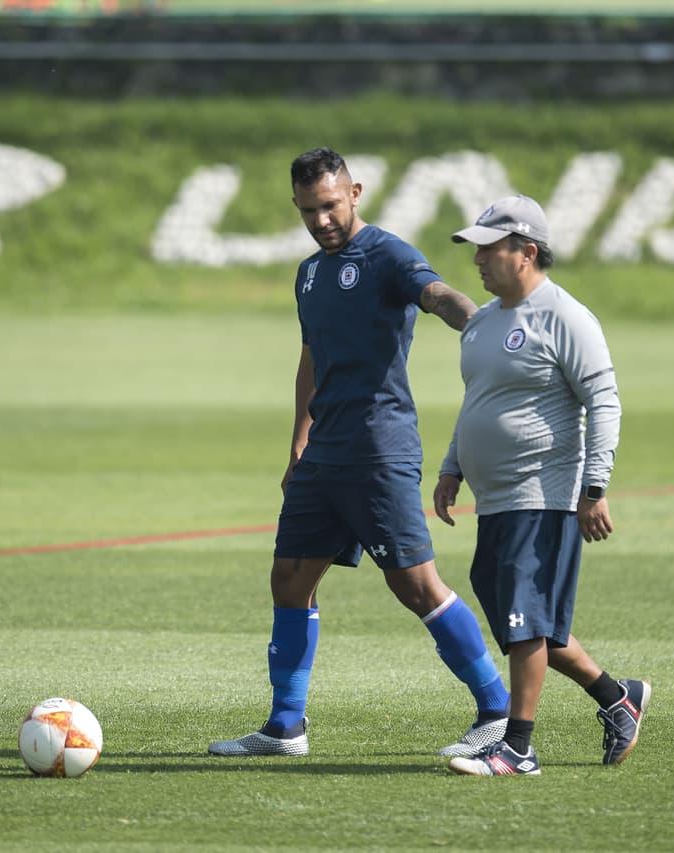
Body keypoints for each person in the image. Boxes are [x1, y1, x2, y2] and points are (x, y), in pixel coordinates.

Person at [209, 147, 510, 759]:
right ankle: (285, 727)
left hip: (379, 450)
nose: (320, 220)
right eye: (307, 210)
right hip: (324, 455)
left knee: (416, 585)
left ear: (355, 192)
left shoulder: (387, 255)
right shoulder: (309, 274)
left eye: (329, 205)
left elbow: (437, 295)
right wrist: (299, 439)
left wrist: (481, 324)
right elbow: (311, 357)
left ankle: (498, 711)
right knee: (289, 579)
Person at [434, 194, 650, 776]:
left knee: (526, 622)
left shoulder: (567, 317)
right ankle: (616, 697)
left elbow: (603, 403)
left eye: (488, 249)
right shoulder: (482, 322)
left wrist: (594, 487)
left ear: (526, 252)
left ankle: (518, 749)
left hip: (544, 493)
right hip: (495, 500)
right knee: (527, 624)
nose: (477, 260)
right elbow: (478, 402)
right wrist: (452, 466)